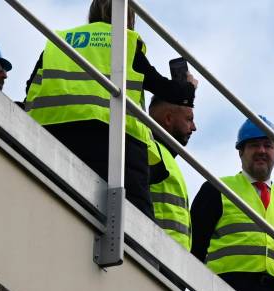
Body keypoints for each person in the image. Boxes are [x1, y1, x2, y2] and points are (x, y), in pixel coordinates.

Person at [24, 0, 196, 219]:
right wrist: (188, 87)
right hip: (117, 143)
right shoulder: (125, 42)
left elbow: (31, 88)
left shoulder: (60, 40)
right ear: (129, 17)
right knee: (136, 225)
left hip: (54, 136)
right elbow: (166, 90)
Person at [190, 116, 274, 291]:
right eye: (254, 145)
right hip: (223, 290)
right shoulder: (217, 188)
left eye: (268, 145)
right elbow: (195, 248)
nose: (262, 151)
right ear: (240, 151)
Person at [148, 95, 196, 250]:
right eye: (189, 119)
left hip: (171, 257)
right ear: (168, 119)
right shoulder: (151, 150)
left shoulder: (164, 156)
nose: (194, 127)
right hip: (157, 252)